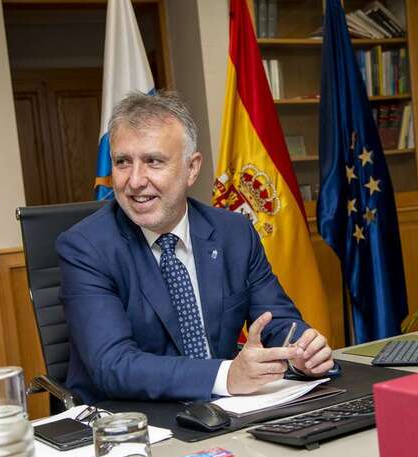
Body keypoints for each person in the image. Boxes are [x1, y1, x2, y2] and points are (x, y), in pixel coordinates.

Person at [57, 91, 334, 404]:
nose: (135, 181)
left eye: (153, 161)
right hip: (128, 422)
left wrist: (301, 349)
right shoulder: (85, 247)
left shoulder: (234, 233)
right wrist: (225, 376)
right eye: (123, 162)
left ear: (192, 168)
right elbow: (113, 365)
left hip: (224, 410)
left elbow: (276, 319)